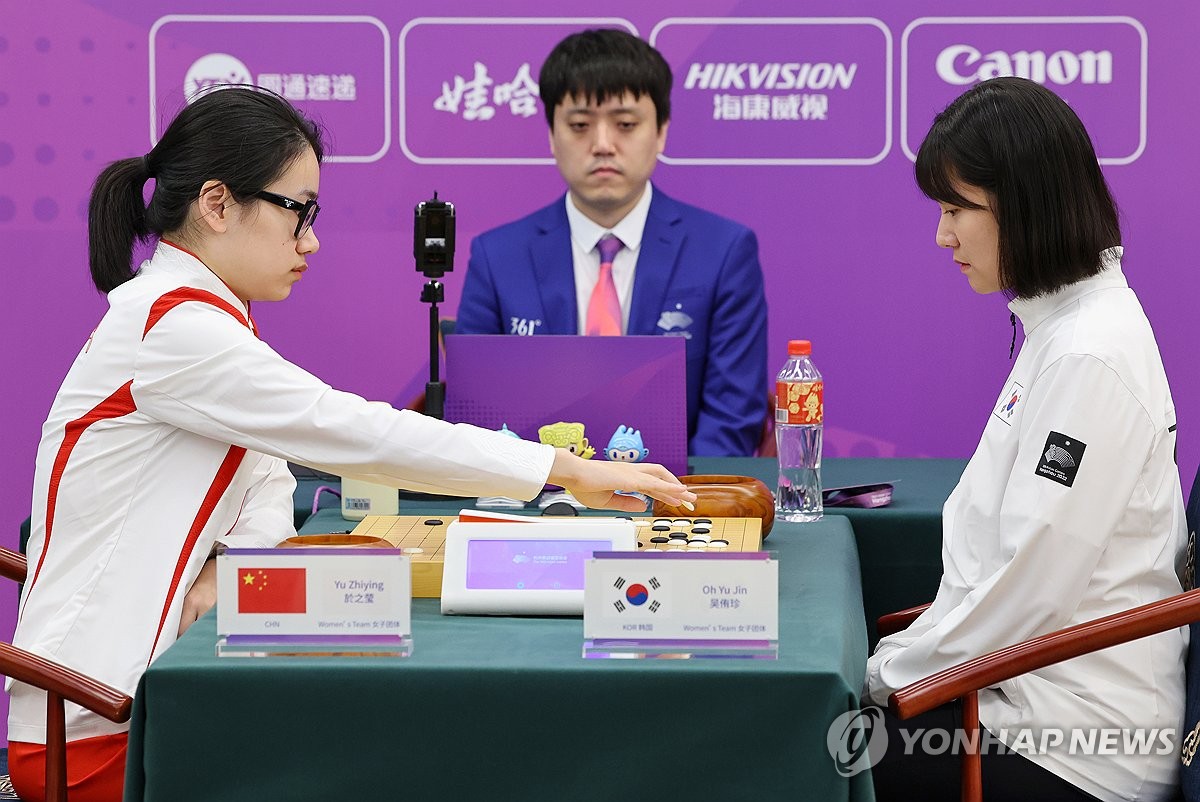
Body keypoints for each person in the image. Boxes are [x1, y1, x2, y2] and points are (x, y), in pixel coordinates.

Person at [8, 86, 695, 802]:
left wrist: (228, 569)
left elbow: (273, 484)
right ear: (216, 205)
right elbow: (355, 433)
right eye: (296, 212)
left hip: (158, 698)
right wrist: (561, 469)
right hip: (94, 728)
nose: (311, 241)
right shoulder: (177, 330)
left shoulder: (198, 320)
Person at [865, 77, 1186, 802]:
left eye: (956, 210)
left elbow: (1027, 593)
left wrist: (885, 674)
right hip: (1022, 704)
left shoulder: (1088, 353)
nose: (942, 235)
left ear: (1026, 205)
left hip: (1078, 746)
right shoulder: (1062, 327)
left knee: (811, 756)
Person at [455, 28, 768, 457]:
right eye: (580, 125)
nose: (603, 145)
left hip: (674, 506)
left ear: (660, 132)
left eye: (625, 124)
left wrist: (669, 501)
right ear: (551, 134)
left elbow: (731, 422)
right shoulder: (498, 256)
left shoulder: (724, 251)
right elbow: (478, 419)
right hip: (534, 508)